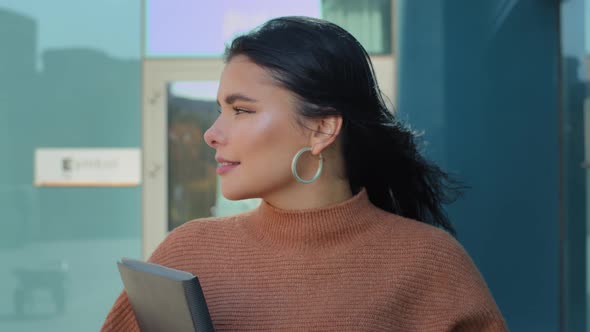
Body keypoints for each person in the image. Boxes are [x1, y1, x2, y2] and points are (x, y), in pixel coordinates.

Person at [101, 16, 507, 331]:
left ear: (322, 128)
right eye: (220, 110)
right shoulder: (186, 253)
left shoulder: (429, 263)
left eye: (241, 110)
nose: (211, 134)